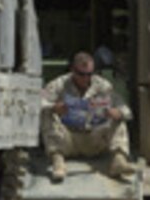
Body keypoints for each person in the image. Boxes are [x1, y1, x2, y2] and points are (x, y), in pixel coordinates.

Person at [40, 51, 136, 182]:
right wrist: (54, 107)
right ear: (73, 71)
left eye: (89, 74)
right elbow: (38, 101)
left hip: (94, 139)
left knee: (118, 120)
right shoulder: (59, 84)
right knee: (47, 114)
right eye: (81, 74)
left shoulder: (103, 85)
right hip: (67, 140)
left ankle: (118, 160)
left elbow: (125, 109)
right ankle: (58, 162)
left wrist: (117, 113)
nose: (86, 78)